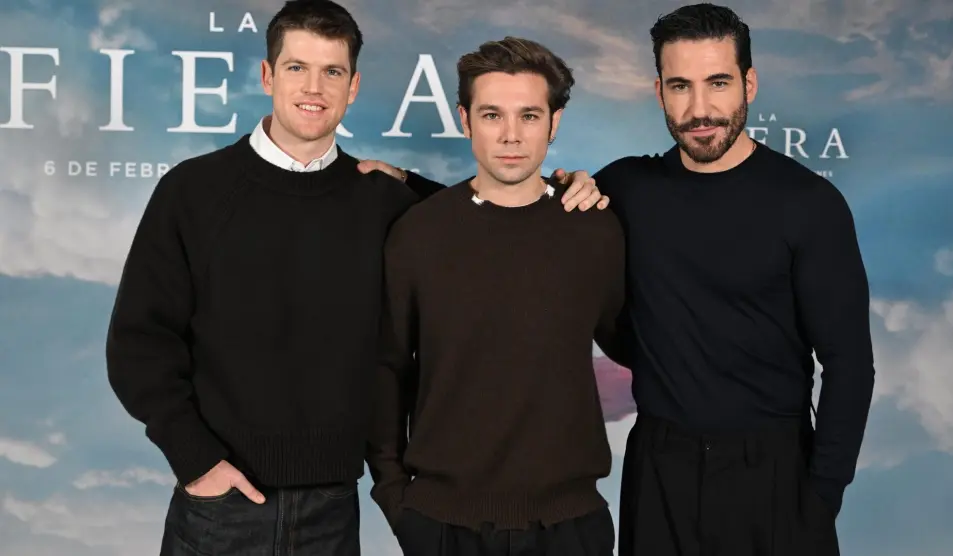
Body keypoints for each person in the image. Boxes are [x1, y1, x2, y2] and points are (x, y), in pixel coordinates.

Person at [103, 1, 604, 555]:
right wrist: (196, 461)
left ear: (354, 85)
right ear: (268, 75)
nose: (314, 87)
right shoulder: (192, 192)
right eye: (297, 68)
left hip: (334, 509)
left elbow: (486, 213)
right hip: (220, 506)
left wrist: (562, 190)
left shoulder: (382, 201)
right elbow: (138, 344)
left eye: (332, 71)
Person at [590, 4, 875, 556]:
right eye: (680, 86)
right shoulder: (625, 188)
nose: (700, 109)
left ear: (749, 83)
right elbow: (513, 214)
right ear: (658, 92)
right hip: (658, 472)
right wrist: (403, 184)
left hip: (774, 475)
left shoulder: (809, 205)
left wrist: (819, 501)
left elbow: (849, 366)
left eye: (717, 83)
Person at [365, 36, 626, 556]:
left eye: (529, 116)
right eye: (491, 115)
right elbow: (386, 368)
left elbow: (633, 343)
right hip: (443, 526)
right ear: (465, 120)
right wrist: (394, 497)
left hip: (570, 527)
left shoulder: (594, 229)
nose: (511, 135)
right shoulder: (417, 233)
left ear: (554, 123)